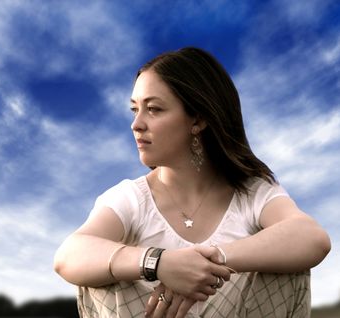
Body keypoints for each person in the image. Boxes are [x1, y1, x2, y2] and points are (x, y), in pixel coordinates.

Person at [54, 47, 331, 317]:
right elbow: (69, 255)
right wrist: (159, 264)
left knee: (289, 264)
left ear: (197, 119)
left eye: (154, 109)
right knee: (97, 270)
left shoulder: (252, 192)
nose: (136, 124)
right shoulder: (131, 199)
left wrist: (210, 263)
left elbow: (312, 238)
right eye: (134, 109)